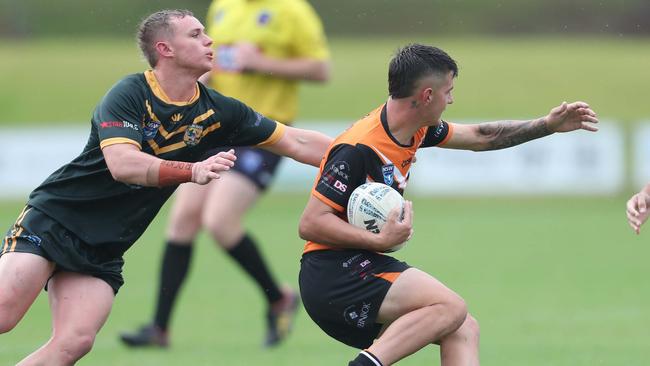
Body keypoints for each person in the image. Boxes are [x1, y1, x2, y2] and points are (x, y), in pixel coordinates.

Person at [0, 9, 331, 365]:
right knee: (4, 314)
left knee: (74, 342)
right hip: (55, 220)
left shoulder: (218, 110)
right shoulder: (130, 92)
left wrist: (367, 158)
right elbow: (123, 165)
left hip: (104, 247)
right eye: (195, 35)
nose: (209, 40)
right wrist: (191, 170)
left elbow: (296, 142)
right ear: (165, 49)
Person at [297, 44, 599, 366]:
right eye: (448, 91)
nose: (451, 100)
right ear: (427, 96)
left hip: (359, 266)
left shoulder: (415, 128)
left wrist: (547, 125)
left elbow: (482, 137)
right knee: (450, 307)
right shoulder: (358, 148)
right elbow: (310, 223)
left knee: (463, 327)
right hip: (333, 275)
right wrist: (379, 241)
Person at [120, 0, 330, 348]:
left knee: (219, 222)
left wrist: (261, 62)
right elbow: (212, 65)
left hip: (264, 133)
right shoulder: (223, 7)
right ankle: (159, 329)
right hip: (215, 126)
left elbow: (320, 69)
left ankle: (278, 297)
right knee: (183, 221)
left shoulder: (292, 10)